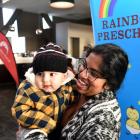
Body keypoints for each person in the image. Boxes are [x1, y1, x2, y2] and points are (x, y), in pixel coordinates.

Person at [60, 43, 129, 140]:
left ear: (109, 84)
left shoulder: (105, 119)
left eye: (93, 73)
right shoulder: (74, 89)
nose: (82, 73)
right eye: (84, 65)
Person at [11, 42, 77, 140]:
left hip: (63, 132)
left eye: (52, 74)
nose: (45, 80)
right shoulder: (27, 88)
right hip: (39, 131)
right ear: (34, 73)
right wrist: (48, 123)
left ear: (64, 76)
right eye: (40, 74)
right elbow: (19, 111)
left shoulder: (69, 86)